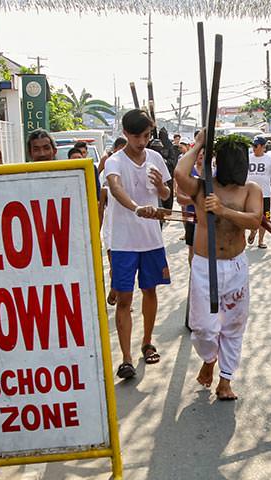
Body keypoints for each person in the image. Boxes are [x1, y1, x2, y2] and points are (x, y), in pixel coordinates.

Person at [174, 131, 262, 400]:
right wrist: (200, 143)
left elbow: (255, 220)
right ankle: (209, 358)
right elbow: (179, 173)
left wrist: (223, 210)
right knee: (204, 327)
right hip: (204, 265)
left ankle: (226, 379)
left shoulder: (251, 189)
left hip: (235, 266)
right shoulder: (203, 186)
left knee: (233, 325)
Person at [105, 109, 172, 379]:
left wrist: (162, 189)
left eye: (146, 135)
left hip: (151, 240)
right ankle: (126, 358)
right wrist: (136, 208)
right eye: (136, 136)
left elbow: (167, 195)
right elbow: (115, 187)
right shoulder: (115, 161)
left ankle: (147, 342)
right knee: (124, 299)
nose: (142, 141)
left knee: (150, 291)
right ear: (125, 134)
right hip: (123, 242)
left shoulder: (156, 158)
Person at [98, 138, 128, 306]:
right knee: (114, 263)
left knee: (123, 266)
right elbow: (101, 210)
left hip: (127, 226)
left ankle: (119, 293)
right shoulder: (105, 187)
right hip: (111, 226)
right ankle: (115, 289)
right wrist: (97, 230)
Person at [247, 136, 271, 249]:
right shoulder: (248, 158)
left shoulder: (269, 159)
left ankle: (261, 241)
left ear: (262, 147)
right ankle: (253, 231)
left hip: (265, 194)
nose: (254, 148)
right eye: (253, 145)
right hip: (250, 194)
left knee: (265, 218)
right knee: (252, 217)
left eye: (256, 146)